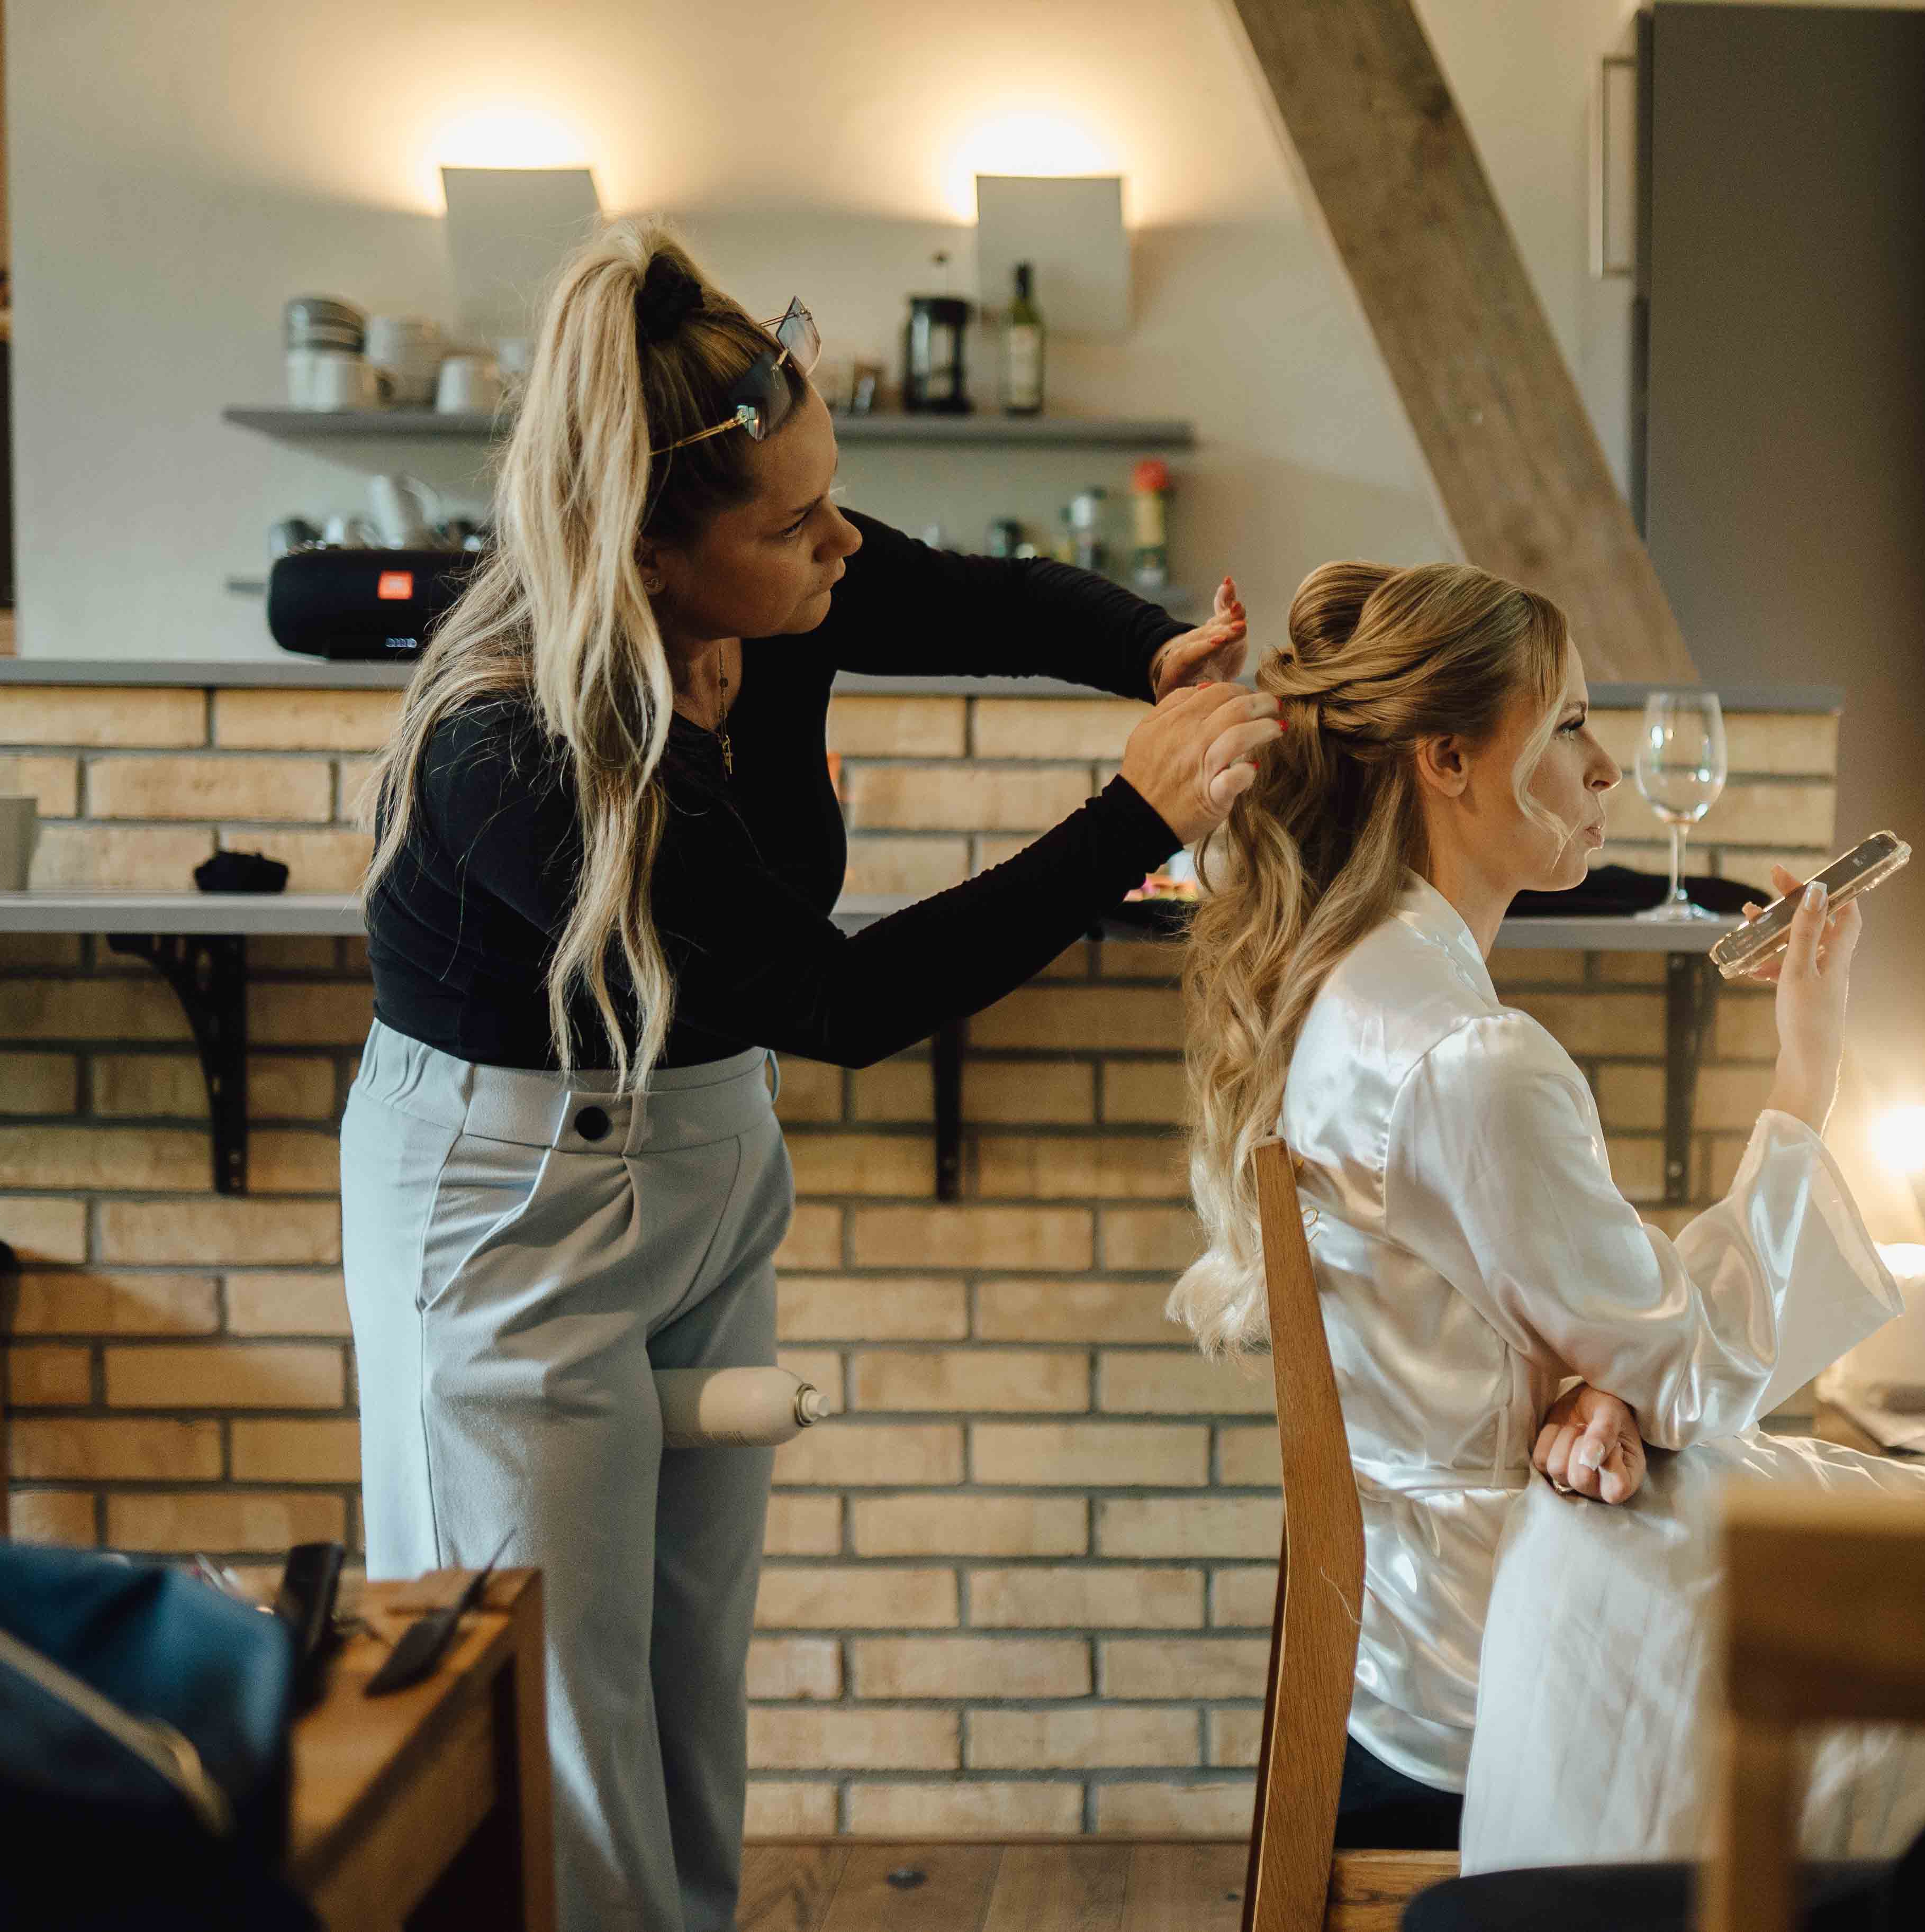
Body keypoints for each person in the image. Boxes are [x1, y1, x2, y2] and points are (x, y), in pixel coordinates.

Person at [339, 221, 1278, 1932]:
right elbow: (832, 1001)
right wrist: (1135, 818)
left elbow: (974, 594)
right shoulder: (519, 749)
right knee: (553, 1704)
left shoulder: (775, 586)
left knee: (684, 1669)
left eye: (829, 495)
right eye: (794, 522)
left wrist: (1151, 654)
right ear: (650, 551)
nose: (839, 541)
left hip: (700, 1153)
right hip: (506, 1196)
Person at [1167, 560, 1925, 1869]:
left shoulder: (1348, 982)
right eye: (1567, 725)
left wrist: (1599, 1378)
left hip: (1429, 1593)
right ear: (1448, 760)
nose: (1605, 765)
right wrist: (1809, 1072)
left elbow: (1594, 1334)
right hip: (1501, 1629)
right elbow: (1697, 1369)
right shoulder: (1470, 1058)